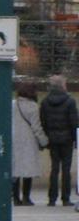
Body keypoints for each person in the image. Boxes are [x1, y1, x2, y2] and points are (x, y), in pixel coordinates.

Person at [40, 76, 79, 206]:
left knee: (54, 168)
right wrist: (75, 139)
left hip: (52, 138)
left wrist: (48, 136)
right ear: (63, 86)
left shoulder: (45, 102)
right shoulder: (70, 101)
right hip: (67, 139)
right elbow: (74, 122)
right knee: (66, 170)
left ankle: (52, 198)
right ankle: (65, 198)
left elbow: (43, 122)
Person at [11, 83, 43, 207]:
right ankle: (26, 197)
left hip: (14, 138)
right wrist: (43, 140)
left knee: (15, 169)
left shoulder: (13, 104)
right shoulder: (34, 107)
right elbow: (36, 127)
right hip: (28, 140)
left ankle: (15, 198)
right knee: (27, 170)